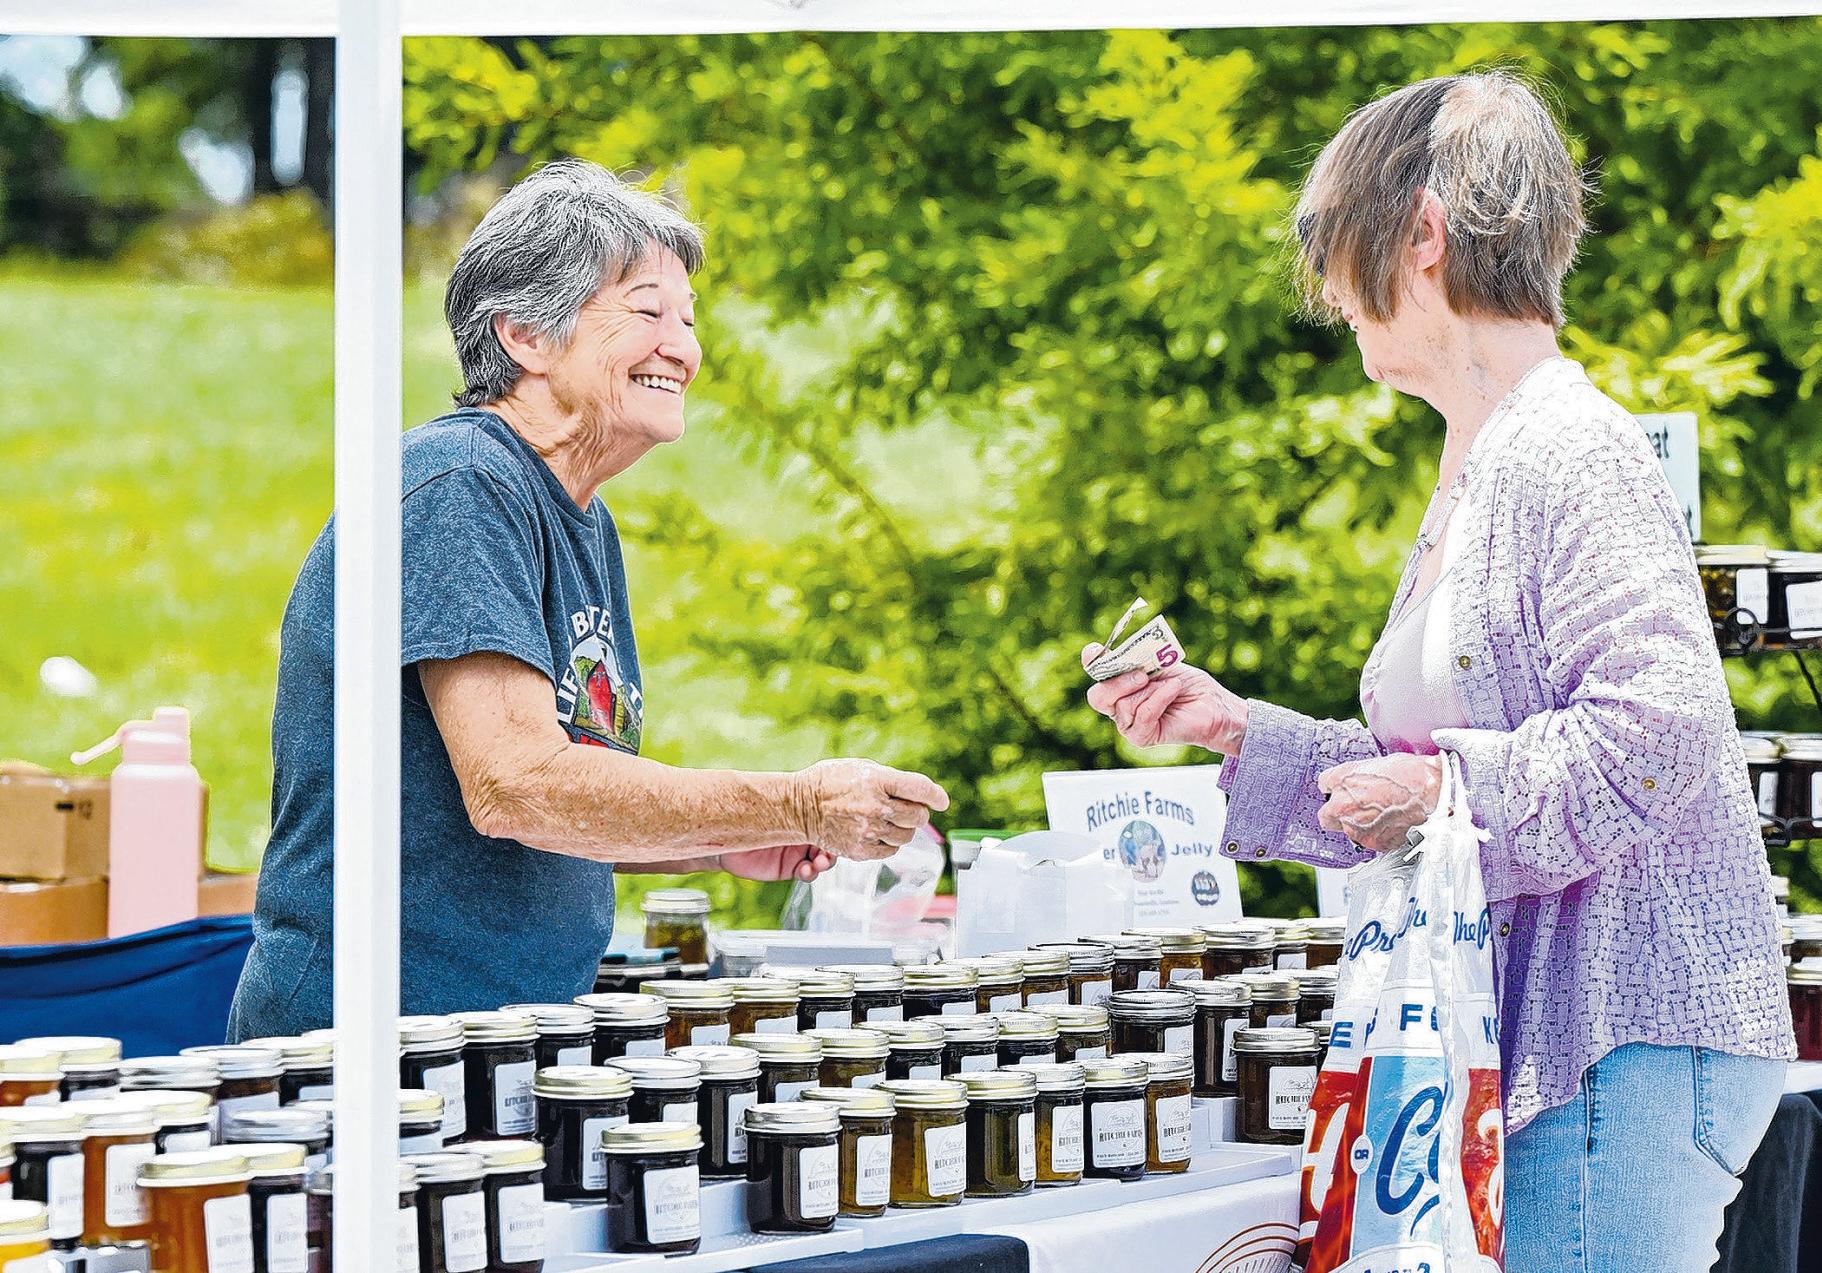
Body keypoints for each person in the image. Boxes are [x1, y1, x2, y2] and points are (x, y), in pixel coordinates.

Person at [1084, 72, 1791, 1271]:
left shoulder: (1568, 447)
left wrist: (1439, 793)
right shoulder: (1491, 450)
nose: (1326, 292)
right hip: (1576, 1053)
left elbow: (1656, 731)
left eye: (1331, 244)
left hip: (1618, 1045)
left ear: (1420, 233)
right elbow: (1432, 775)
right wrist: (1239, 731)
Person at [230, 160, 948, 1038]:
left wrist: (719, 840)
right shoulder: (461, 485)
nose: (683, 348)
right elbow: (518, 785)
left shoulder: (575, 512)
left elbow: (549, 805)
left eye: (688, 320)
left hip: (495, 1037)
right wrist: (791, 802)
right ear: (526, 334)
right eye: (648, 312)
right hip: (373, 1043)